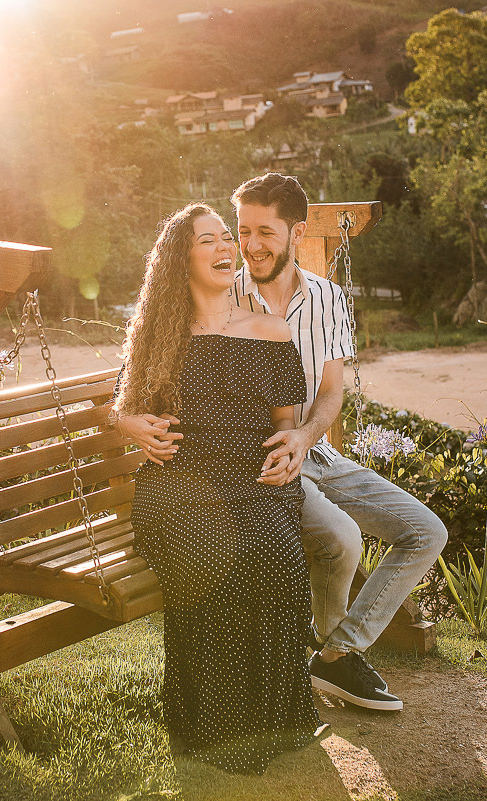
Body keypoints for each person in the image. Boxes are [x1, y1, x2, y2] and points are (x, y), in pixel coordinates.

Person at [121, 174, 448, 712]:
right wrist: (129, 421)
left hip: (312, 449)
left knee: (424, 531)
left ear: (296, 232)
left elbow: (329, 394)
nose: (249, 246)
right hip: (254, 464)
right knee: (341, 540)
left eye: (263, 233)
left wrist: (303, 435)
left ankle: (337, 656)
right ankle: (321, 663)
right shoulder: (219, 289)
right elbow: (139, 368)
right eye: (242, 231)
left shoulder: (329, 299)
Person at [113, 202, 323, 775]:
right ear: (181, 259)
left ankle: (275, 719)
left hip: (256, 482)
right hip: (178, 487)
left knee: (275, 554)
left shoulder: (268, 328)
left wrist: (292, 445)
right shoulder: (161, 335)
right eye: (208, 241)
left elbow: (287, 417)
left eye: (226, 239)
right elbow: (118, 408)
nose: (226, 248)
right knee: (221, 556)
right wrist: (130, 424)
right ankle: (213, 723)